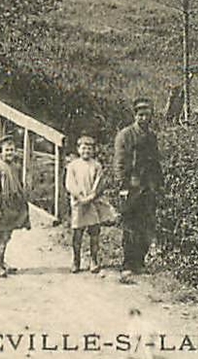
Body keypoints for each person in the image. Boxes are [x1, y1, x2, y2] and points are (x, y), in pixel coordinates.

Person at [113, 97, 163, 278]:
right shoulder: (125, 135)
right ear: (135, 115)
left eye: (147, 115)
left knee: (146, 225)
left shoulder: (151, 136)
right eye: (140, 115)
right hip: (132, 185)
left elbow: (156, 161)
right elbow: (119, 162)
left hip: (148, 186)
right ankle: (128, 263)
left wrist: (158, 184)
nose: (143, 118)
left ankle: (140, 262)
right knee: (130, 226)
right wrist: (122, 186)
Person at [65, 134, 117, 273]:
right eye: (83, 148)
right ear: (78, 149)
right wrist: (80, 197)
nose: (86, 151)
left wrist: (92, 195)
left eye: (89, 149)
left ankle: (94, 260)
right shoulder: (73, 166)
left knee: (94, 233)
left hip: (93, 203)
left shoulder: (96, 165)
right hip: (78, 203)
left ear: (93, 150)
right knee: (77, 233)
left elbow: (99, 183)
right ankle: (76, 261)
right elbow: (70, 184)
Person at [0, 135, 30, 277]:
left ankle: (2, 261)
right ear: (0, 152)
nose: (10, 153)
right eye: (7, 150)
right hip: (1, 206)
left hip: (12, 207)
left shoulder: (14, 167)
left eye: (12, 150)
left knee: (6, 235)